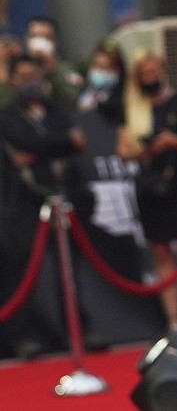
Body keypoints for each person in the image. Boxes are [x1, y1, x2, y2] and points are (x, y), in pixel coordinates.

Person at [0, 55, 105, 357]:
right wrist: (59, 143)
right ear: (12, 80)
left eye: (33, 74)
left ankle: (77, 330)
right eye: (22, 76)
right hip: (26, 201)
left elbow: (77, 141)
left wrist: (39, 147)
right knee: (20, 270)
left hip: (62, 195)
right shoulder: (7, 115)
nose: (29, 81)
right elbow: (23, 146)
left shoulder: (55, 110)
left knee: (68, 267)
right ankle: (21, 338)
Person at [115, 52, 177, 329]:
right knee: (161, 253)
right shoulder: (133, 108)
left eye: (154, 70)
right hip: (150, 186)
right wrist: (143, 149)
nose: (150, 76)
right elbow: (123, 150)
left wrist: (171, 141)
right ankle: (174, 321)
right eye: (144, 73)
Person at [76, 40, 126, 124]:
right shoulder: (83, 92)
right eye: (95, 66)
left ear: (118, 71)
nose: (98, 72)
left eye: (105, 68)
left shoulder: (123, 97)